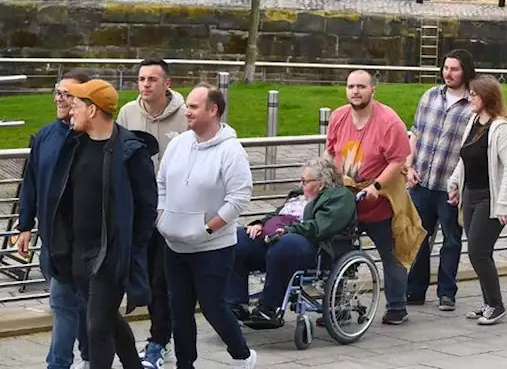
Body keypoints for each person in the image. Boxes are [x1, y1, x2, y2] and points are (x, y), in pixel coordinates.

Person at [47, 79, 158, 369]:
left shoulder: (130, 152)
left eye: (77, 104)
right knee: (107, 318)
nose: (70, 110)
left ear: (93, 110)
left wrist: (131, 251)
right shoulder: (75, 145)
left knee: (97, 328)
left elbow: (147, 210)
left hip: (110, 256)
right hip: (77, 254)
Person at [155, 85, 255, 369]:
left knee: (213, 308)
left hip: (213, 247)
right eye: (187, 105)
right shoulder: (178, 144)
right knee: (179, 310)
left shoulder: (231, 151)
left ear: (213, 110)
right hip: (174, 244)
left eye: (194, 106)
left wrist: (208, 229)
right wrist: (162, 215)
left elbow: (239, 198)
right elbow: (161, 182)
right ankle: (185, 364)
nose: (186, 110)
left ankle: (243, 356)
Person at [327, 70, 422, 325]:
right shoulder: (338, 117)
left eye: (361, 86)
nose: (355, 91)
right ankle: (338, 307)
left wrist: (376, 187)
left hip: (381, 201)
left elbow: (397, 160)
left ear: (372, 90)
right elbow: (330, 153)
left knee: (391, 254)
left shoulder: (389, 121)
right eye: (350, 86)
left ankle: (396, 306)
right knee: (337, 253)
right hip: (347, 200)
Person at [16, 71, 92, 369]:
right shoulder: (46, 135)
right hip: (51, 240)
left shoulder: (92, 138)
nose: (59, 99)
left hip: (82, 243)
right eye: (57, 92)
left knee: (63, 304)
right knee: (73, 305)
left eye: (67, 94)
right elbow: (31, 182)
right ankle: (90, 356)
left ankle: (61, 363)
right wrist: (24, 227)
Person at [115, 58, 187, 369]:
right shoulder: (127, 113)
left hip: (170, 211)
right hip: (134, 210)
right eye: (142, 79)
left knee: (161, 279)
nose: (145, 84)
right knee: (133, 275)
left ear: (167, 83)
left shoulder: (185, 116)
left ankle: (160, 340)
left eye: (152, 79)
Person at [230, 158, 358, 328]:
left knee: (286, 244)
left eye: (305, 181)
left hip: (310, 247)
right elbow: (277, 215)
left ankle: (269, 308)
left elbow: (321, 226)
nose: (301, 184)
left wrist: (290, 231)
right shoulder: (298, 195)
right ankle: (235, 304)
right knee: (238, 239)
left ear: (321, 183)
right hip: (275, 239)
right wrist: (259, 223)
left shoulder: (340, 197)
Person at [447, 75, 507, 325]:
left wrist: (502, 205)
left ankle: (496, 304)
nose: (470, 98)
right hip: (470, 194)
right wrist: (455, 182)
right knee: (478, 251)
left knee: (478, 251)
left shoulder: (502, 128)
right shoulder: (473, 121)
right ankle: (488, 301)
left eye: (474, 95)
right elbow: (465, 157)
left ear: (487, 97)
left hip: (490, 197)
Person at [406, 51, 475, 311]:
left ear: (466, 71)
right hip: (421, 182)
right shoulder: (430, 96)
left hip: (450, 186)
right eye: (445, 68)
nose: (448, 73)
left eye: (454, 69)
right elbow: (415, 132)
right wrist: (408, 166)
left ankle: (447, 293)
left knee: (451, 240)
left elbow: (471, 148)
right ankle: (415, 290)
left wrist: (460, 183)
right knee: (418, 238)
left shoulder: (473, 104)